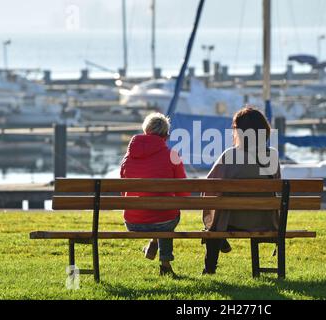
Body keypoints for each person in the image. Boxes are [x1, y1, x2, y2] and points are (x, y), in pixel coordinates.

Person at [202, 106, 280, 275]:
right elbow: (277, 186)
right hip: (265, 220)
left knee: (215, 219)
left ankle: (210, 268)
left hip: (232, 220)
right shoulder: (272, 156)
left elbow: (208, 186)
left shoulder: (230, 155)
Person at [120, 112, 188, 277]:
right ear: (165, 135)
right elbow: (184, 191)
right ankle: (165, 264)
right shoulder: (172, 155)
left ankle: (153, 243)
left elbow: (123, 191)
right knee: (167, 215)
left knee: (163, 214)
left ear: (145, 131)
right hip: (164, 220)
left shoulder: (128, 157)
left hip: (133, 221)